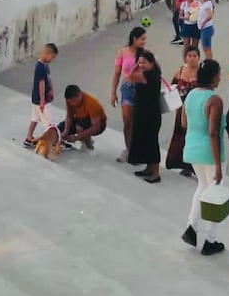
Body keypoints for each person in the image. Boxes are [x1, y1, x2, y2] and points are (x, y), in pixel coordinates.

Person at [181, 58, 226, 256]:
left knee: (202, 186)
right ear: (213, 77)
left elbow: (184, 122)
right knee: (215, 194)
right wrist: (217, 164)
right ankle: (210, 239)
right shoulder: (214, 100)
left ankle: (192, 226)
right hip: (210, 152)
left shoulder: (191, 95)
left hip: (192, 148)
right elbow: (213, 132)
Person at [126, 50, 163, 183]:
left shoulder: (146, 75)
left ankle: (156, 173)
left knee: (151, 143)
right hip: (149, 113)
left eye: (144, 62)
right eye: (140, 62)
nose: (141, 65)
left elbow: (129, 77)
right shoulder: (156, 72)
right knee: (149, 142)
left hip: (149, 114)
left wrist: (135, 67)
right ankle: (149, 169)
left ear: (151, 63)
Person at [110, 27, 146, 161]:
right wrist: (113, 92)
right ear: (134, 39)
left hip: (141, 89)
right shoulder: (122, 52)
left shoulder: (145, 53)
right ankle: (128, 148)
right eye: (142, 39)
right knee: (127, 121)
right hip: (127, 88)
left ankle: (138, 149)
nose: (143, 42)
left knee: (139, 121)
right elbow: (117, 73)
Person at [165, 46, 200, 176]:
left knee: (193, 137)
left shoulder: (201, 73)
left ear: (198, 58)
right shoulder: (180, 71)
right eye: (189, 56)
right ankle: (179, 162)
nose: (192, 59)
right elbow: (172, 87)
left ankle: (194, 166)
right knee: (180, 135)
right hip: (181, 110)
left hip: (195, 111)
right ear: (185, 57)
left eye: (194, 56)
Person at [22, 43, 59, 149]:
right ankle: (49, 142)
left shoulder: (45, 65)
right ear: (47, 53)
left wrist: (51, 88)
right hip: (41, 100)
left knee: (35, 118)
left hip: (37, 99)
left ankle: (29, 137)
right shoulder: (40, 67)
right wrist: (43, 100)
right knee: (49, 123)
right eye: (52, 57)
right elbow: (41, 84)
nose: (52, 59)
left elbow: (48, 79)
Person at [60, 84, 107, 150]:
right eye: (69, 102)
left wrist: (77, 137)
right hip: (81, 118)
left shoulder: (92, 104)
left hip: (99, 124)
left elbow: (96, 127)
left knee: (80, 127)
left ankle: (89, 146)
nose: (71, 104)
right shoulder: (70, 101)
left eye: (73, 101)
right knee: (60, 128)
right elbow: (69, 116)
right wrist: (66, 131)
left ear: (79, 95)